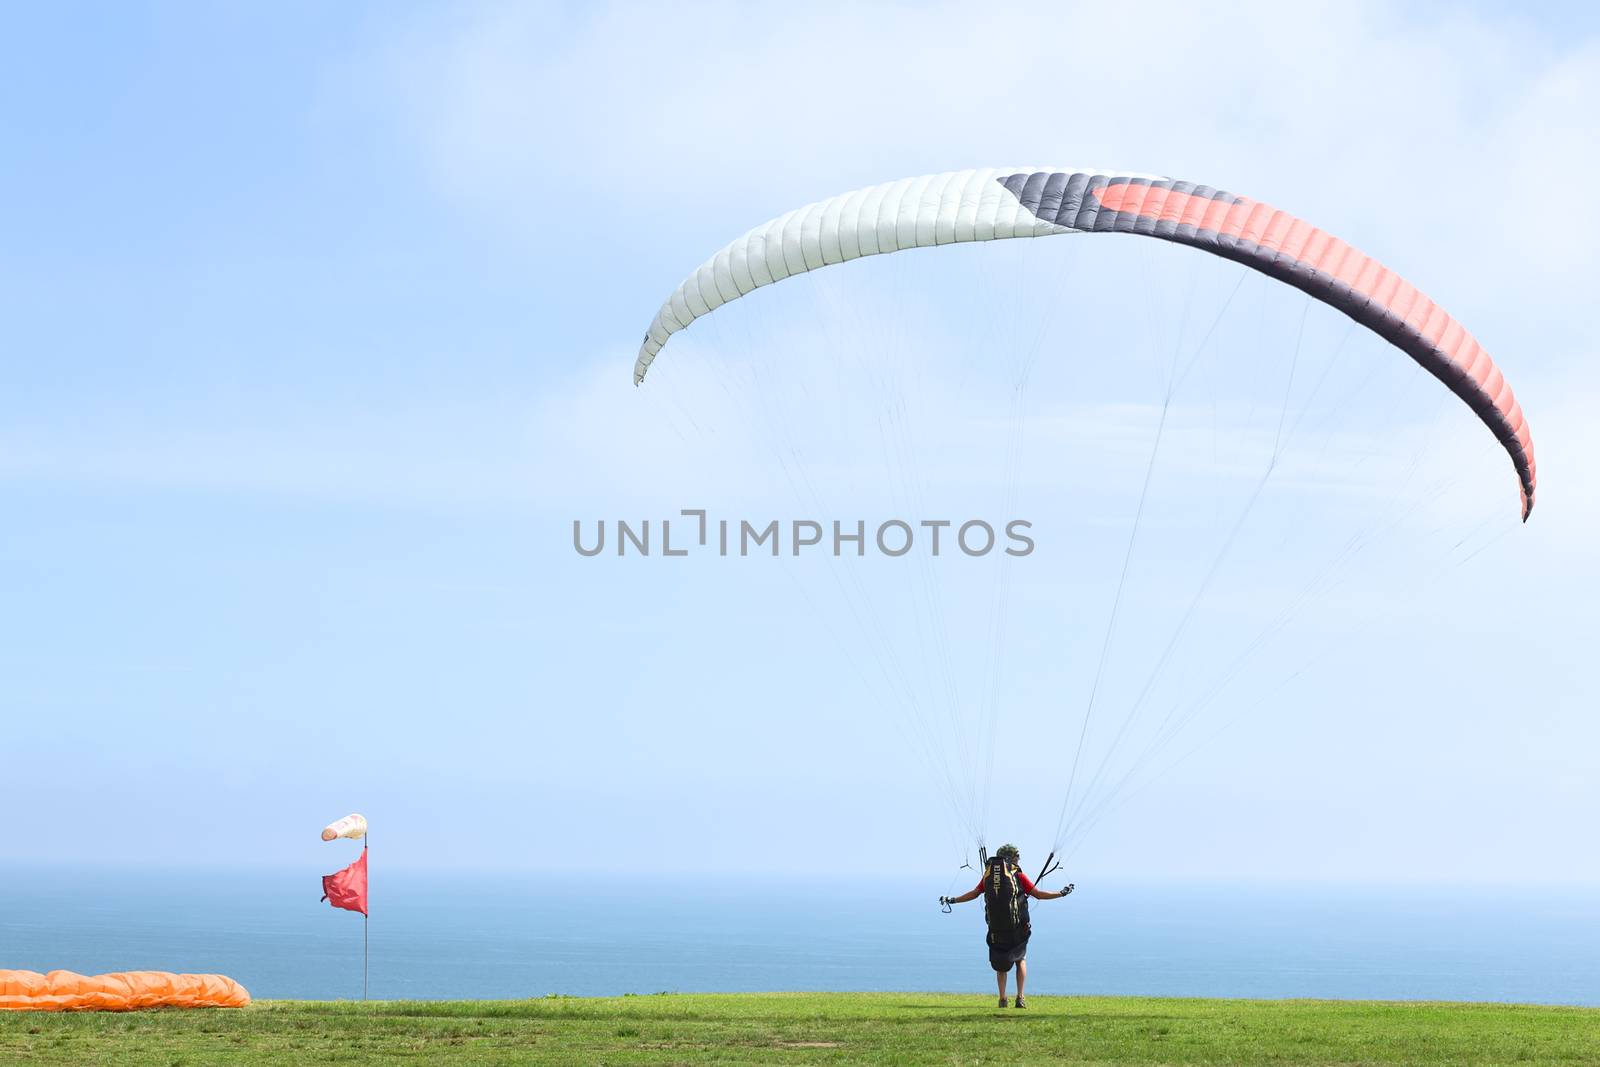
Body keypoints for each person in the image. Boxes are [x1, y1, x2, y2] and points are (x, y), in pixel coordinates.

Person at [940, 844, 1073, 1008]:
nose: (1019, 858)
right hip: (1018, 929)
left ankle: (1002, 999)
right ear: (1010, 857)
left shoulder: (989, 876)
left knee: (1000, 964)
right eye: (1017, 855)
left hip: (996, 930)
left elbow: (974, 894)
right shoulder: (1018, 875)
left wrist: (953, 900)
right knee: (1020, 959)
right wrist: (1061, 893)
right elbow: (1038, 894)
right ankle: (1020, 997)